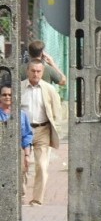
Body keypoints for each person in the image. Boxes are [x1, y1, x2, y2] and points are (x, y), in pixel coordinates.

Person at [19, 59, 63, 206]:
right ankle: (20, 195)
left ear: (42, 72)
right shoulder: (19, 88)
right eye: (33, 71)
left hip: (42, 130)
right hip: (23, 131)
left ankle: (37, 199)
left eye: (38, 71)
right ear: (27, 71)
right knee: (21, 165)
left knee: (41, 166)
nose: (35, 74)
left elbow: (57, 111)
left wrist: (55, 129)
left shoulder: (49, 89)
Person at [1, 83, 34, 199]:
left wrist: (26, 155)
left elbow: (27, 136)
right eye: (4, 95)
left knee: (18, 179)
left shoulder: (21, 115)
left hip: (16, 150)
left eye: (10, 94)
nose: (7, 97)